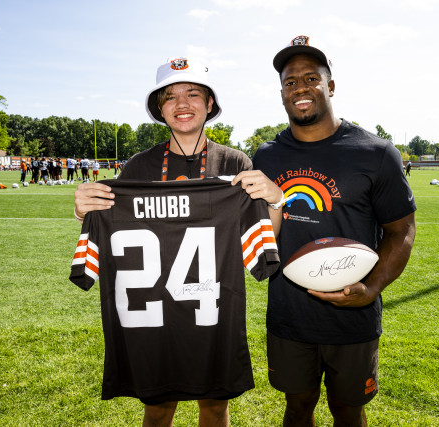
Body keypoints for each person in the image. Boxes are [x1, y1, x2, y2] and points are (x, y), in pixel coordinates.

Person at [73, 56, 282, 427]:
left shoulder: (236, 163)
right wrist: (85, 212)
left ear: (210, 104)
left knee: (215, 406)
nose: (181, 104)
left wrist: (275, 201)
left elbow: (261, 244)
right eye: (169, 96)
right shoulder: (138, 167)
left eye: (192, 94)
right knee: (157, 408)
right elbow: (115, 228)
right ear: (159, 107)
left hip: (212, 312)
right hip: (153, 315)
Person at [247, 35, 416, 426]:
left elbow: (401, 231)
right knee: (297, 406)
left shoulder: (375, 153)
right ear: (281, 93)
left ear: (331, 86)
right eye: (290, 82)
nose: (300, 89)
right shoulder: (267, 156)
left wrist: (371, 289)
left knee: (348, 411)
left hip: (353, 316)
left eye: (311, 78)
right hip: (290, 314)